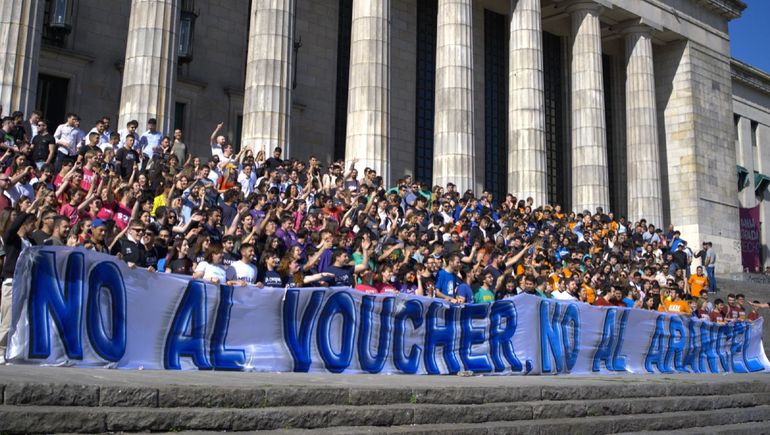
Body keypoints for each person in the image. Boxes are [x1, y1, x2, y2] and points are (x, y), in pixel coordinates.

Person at [0, 212, 36, 363]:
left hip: (24, 284)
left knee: (20, 320)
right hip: (11, 282)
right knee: (7, 320)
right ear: (25, 224)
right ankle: (1, 351)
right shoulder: (13, 240)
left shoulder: (31, 242)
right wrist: (25, 213)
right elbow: (12, 229)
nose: (34, 227)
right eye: (32, 223)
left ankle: (13, 350)